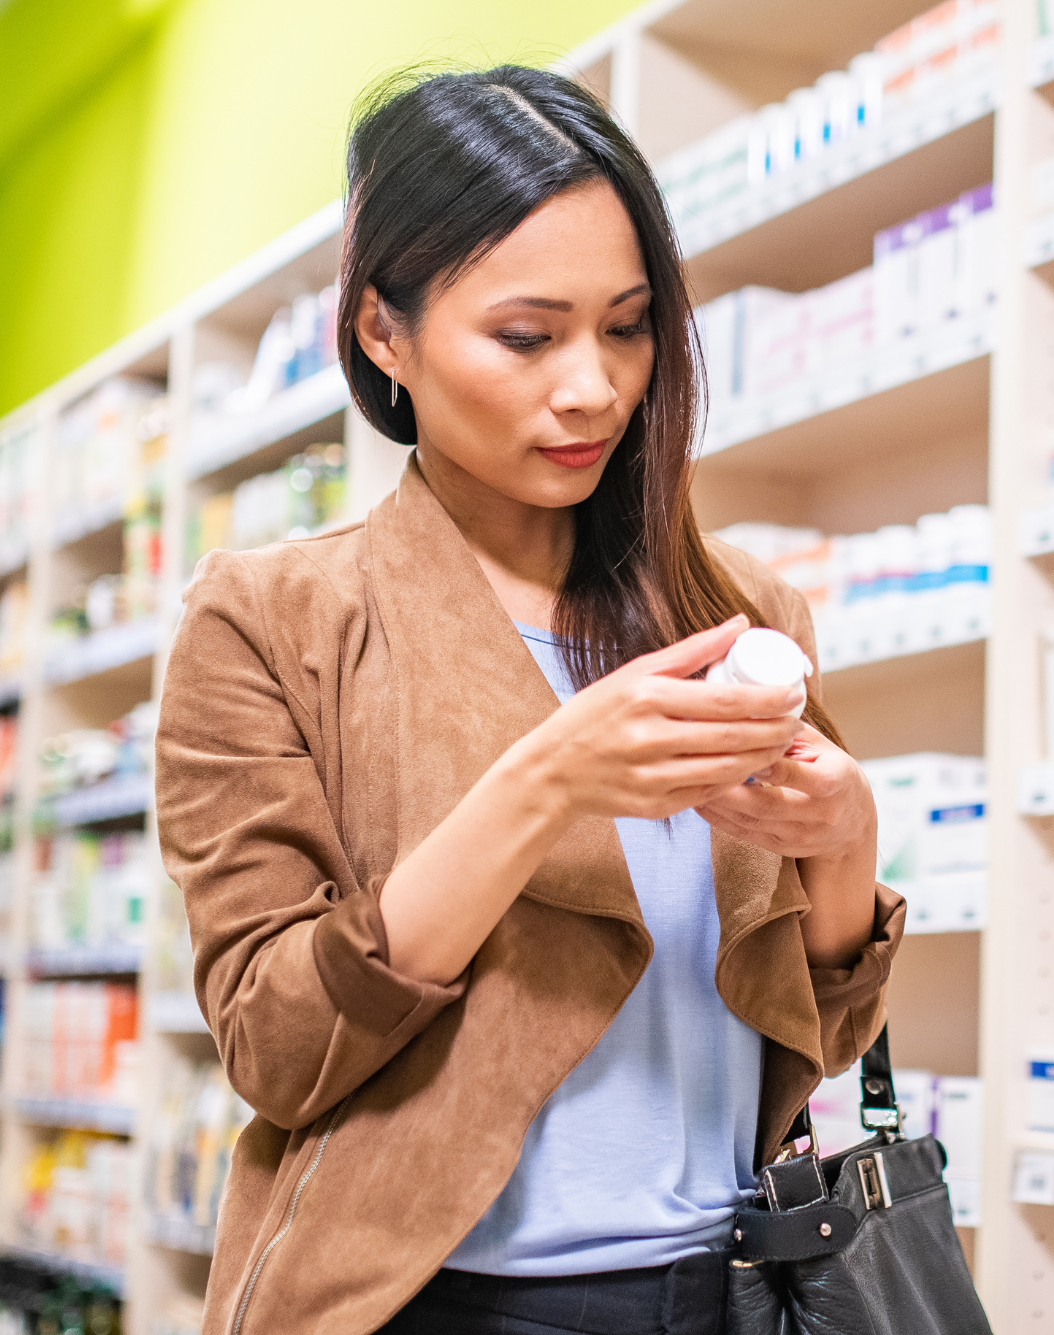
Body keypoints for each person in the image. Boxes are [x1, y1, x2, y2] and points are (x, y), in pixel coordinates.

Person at [153, 65, 902, 1335]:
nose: (594, 388)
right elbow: (277, 1048)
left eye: (626, 326)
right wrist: (547, 782)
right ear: (383, 332)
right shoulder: (270, 622)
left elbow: (813, 1036)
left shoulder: (742, 616)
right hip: (433, 1301)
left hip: (733, 1289)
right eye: (525, 334)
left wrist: (843, 844)